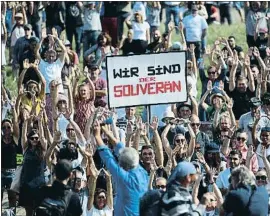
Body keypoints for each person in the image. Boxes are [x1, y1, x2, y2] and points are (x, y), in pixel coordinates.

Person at [93, 120, 149, 216]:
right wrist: (106, 132)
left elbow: (108, 158)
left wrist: (97, 135)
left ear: (122, 166)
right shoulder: (142, 172)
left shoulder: (125, 178)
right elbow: (122, 149)